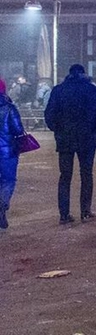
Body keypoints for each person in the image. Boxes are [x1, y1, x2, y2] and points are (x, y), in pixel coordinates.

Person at [43, 65, 96, 224]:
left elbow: (49, 115)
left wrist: (57, 130)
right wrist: (94, 129)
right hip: (86, 138)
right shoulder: (92, 90)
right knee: (86, 175)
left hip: (65, 138)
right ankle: (85, 211)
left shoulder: (58, 90)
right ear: (83, 73)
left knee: (65, 176)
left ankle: (64, 214)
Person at [0, 79, 25, 230]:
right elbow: (18, 129)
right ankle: (2, 206)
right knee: (8, 180)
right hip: (7, 151)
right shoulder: (9, 108)